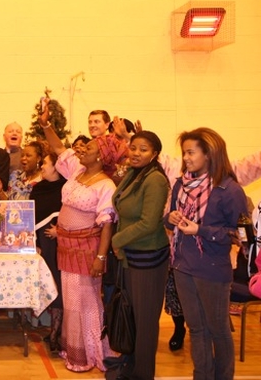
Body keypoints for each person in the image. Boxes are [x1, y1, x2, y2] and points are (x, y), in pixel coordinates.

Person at [39, 96, 126, 372]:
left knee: (85, 303)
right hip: (67, 247)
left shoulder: (106, 185)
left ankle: (91, 354)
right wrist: (46, 126)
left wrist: (101, 256)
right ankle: (74, 350)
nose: (80, 151)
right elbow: (58, 148)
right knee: (72, 301)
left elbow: (107, 224)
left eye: (87, 148)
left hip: (87, 251)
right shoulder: (78, 171)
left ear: (100, 155)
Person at [164, 127, 247, 380]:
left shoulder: (229, 190)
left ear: (209, 154)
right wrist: (172, 217)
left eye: (191, 152)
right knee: (196, 328)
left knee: (218, 329)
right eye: (184, 153)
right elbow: (168, 221)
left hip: (212, 269)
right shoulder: (180, 184)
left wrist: (201, 230)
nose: (186, 158)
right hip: (182, 266)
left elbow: (240, 235)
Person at [110, 131, 170, 379]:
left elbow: (148, 222)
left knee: (145, 322)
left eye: (143, 149)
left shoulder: (155, 179)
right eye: (133, 148)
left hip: (148, 257)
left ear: (154, 154)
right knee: (132, 317)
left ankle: (144, 374)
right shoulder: (135, 174)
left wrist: (117, 239)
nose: (136, 153)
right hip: (130, 255)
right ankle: (130, 368)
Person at [31, 149, 67, 352]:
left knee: (59, 284)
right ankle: (54, 329)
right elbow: (31, 216)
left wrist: (60, 230)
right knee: (48, 283)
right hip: (41, 244)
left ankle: (56, 333)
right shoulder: (38, 188)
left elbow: (74, 215)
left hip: (58, 245)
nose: (42, 166)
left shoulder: (65, 188)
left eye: (45, 163)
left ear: (57, 166)